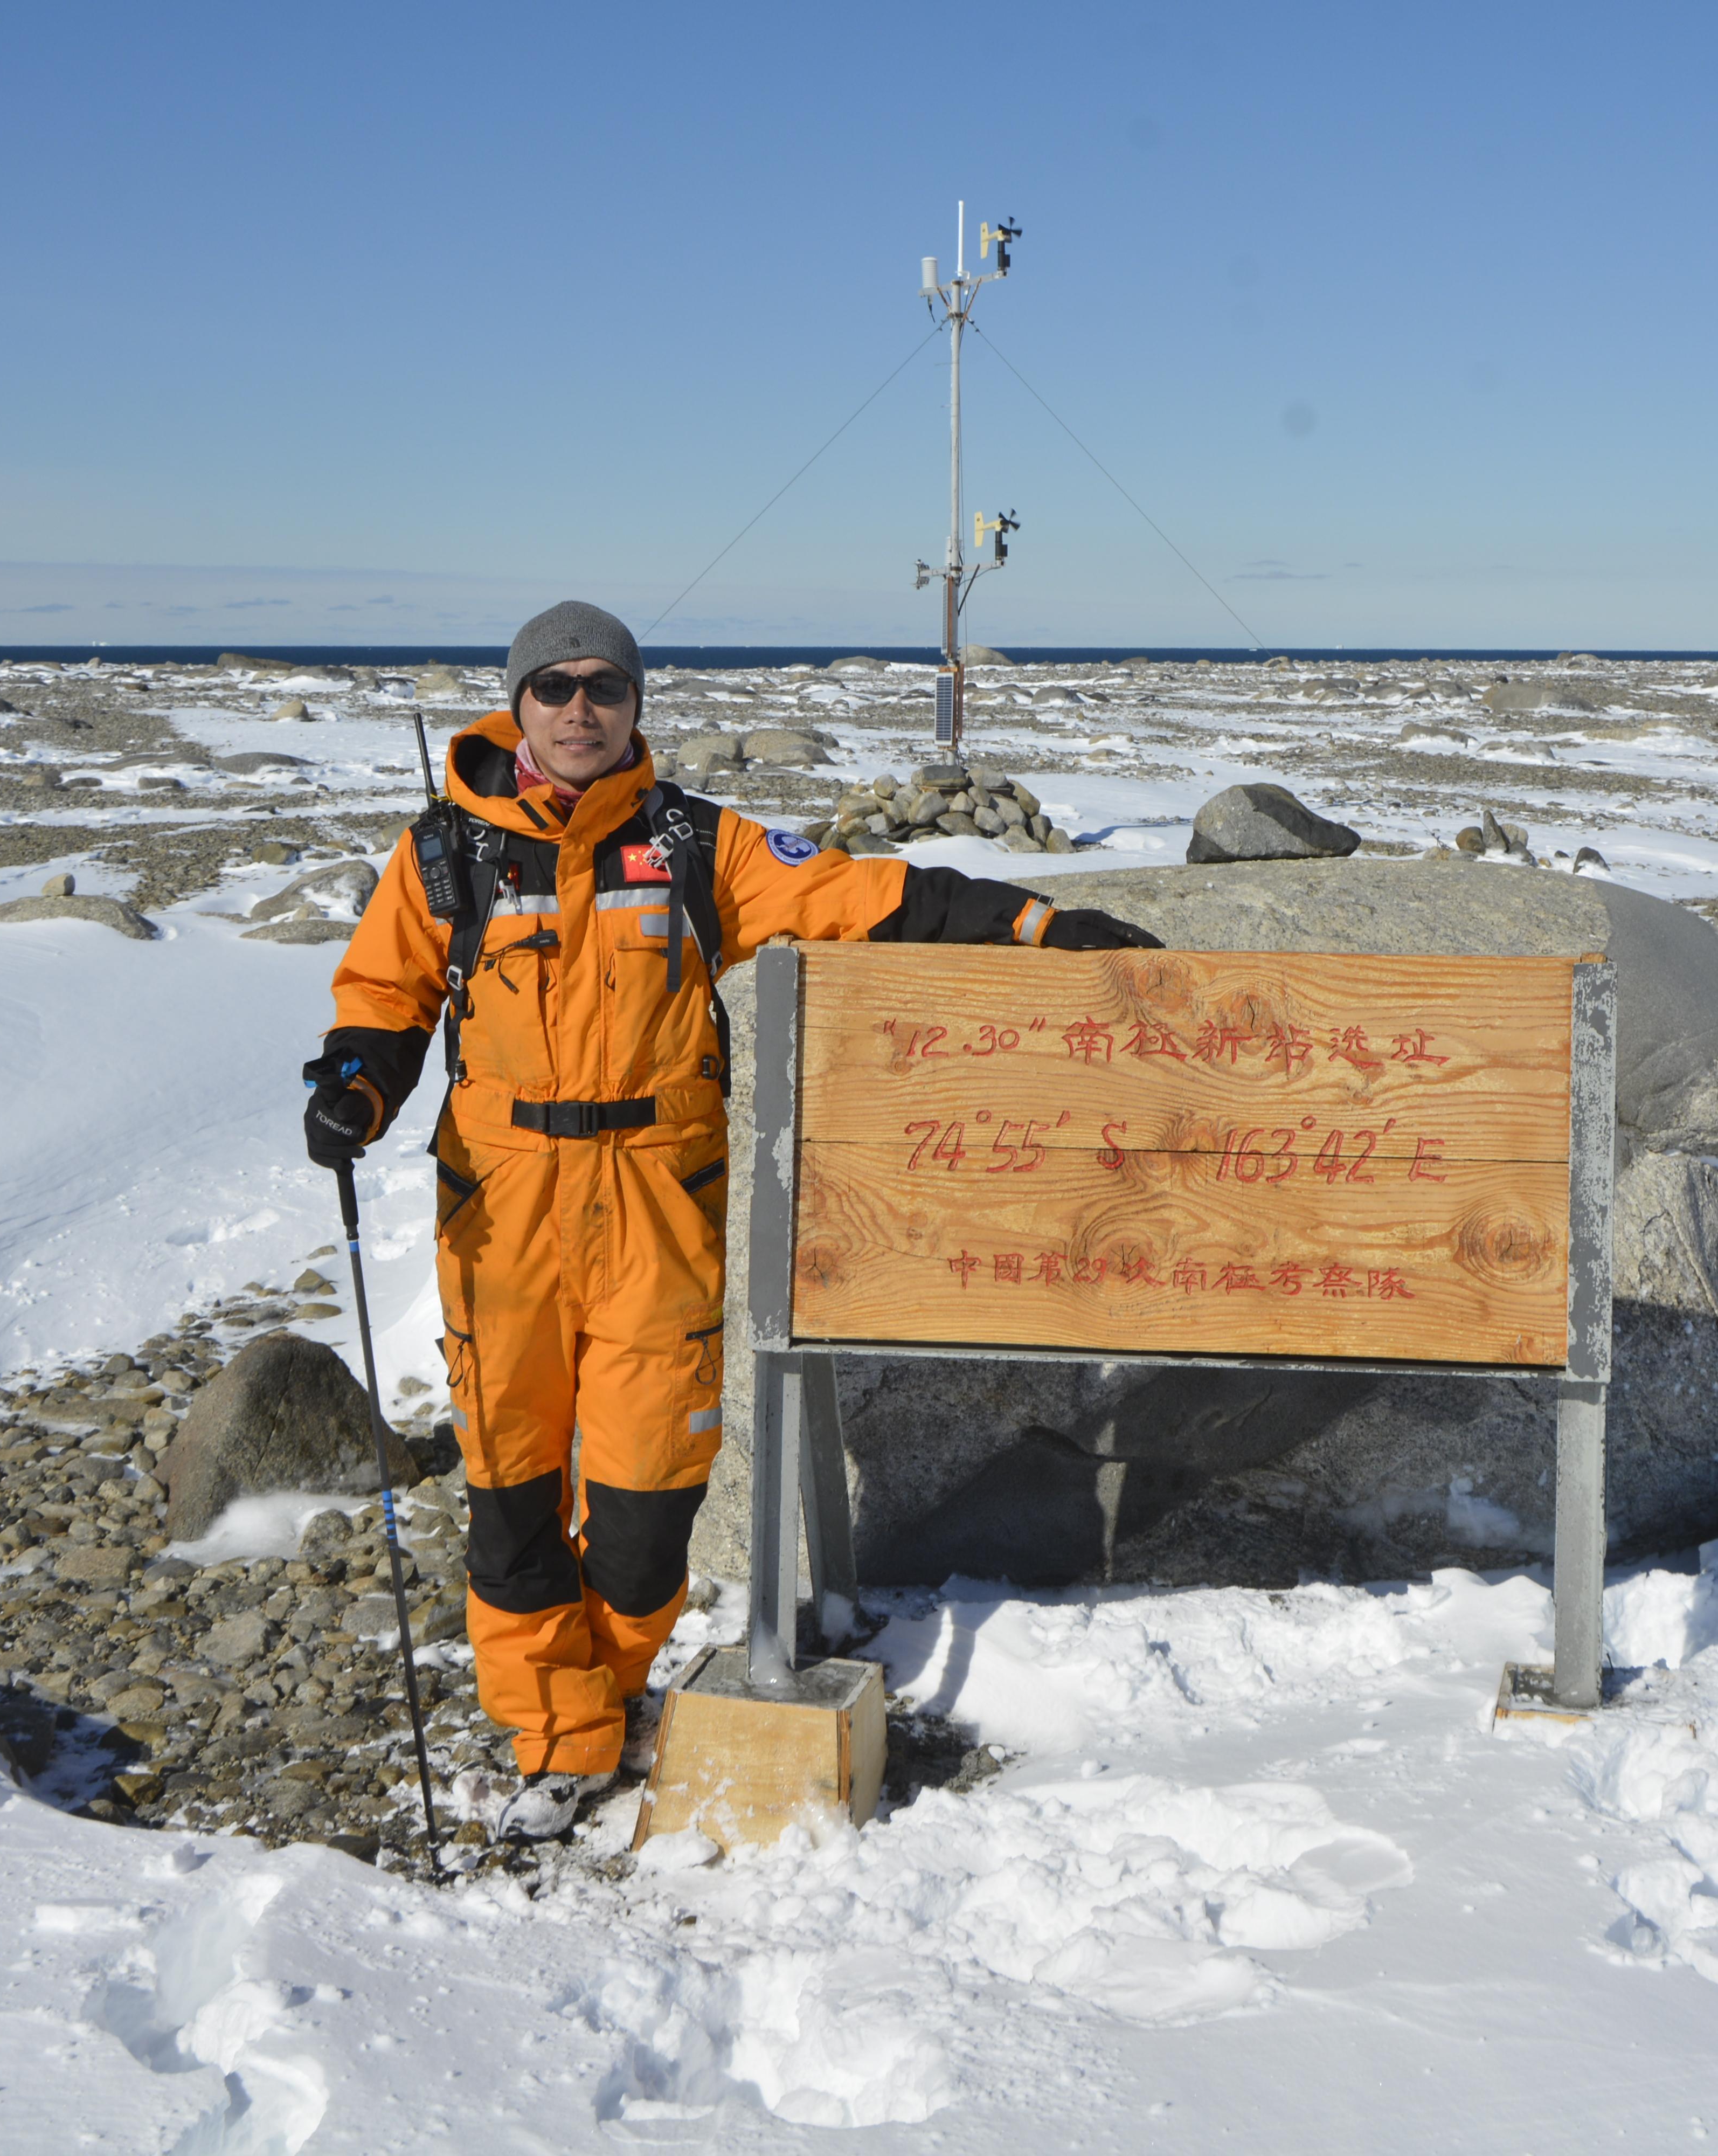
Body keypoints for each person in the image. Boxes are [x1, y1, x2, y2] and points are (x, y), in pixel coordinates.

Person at [303, 602, 1160, 1841]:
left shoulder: (696, 845)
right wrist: (356, 1082)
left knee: (651, 1498)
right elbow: (385, 988)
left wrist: (1035, 923)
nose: (580, 707)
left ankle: (615, 1685)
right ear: (519, 702)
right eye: (554, 687)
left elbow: (863, 896)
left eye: (604, 685)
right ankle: (563, 1736)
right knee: (513, 1496)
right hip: (503, 1217)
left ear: (637, 701)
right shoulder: (447, 853)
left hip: (659, 1206)